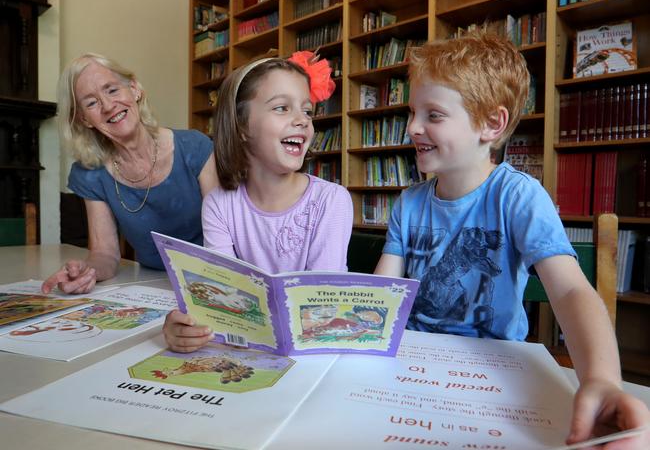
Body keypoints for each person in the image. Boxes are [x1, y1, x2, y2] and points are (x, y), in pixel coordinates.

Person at [374, 32, 650, 448]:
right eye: (413, 112)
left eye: (433, 115)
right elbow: (384, 296)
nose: (412, 127)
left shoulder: (518, 196)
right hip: (411, 366)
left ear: (491, 124)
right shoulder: (408, 203)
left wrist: (602, 380)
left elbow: (572, 289)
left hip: (493, 370)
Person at [164, 52, 353, 353]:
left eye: (307, 111)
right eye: (282, 108)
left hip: (312, 354)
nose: (302, 120)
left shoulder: (332, 200)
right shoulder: (218, 204)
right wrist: (186, 326)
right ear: (241, 127)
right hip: (249, 352)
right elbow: (221, 298)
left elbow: (321, 306)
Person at [41, 53, 219, 295]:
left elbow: (226, 235)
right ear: (84, 119)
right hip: (153, 284)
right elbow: (105, 254)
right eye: (91, 103)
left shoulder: (194, 147)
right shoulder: (90, 174)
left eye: (112, 90)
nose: (107, 106)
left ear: (134, 90)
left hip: (216, 279)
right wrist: (87, 271)